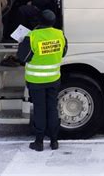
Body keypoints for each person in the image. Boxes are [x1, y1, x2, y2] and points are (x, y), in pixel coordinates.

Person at [16, 9, 67, 151]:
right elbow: (63, 52)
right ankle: (54, 141)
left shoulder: (31, 36)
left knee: (40, 109)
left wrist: (22, 43)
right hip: (54, 79)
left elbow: (22, 57)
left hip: (36, 81)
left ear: (39, 21)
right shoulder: (60, 34)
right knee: (52, 108)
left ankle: (39, 142)